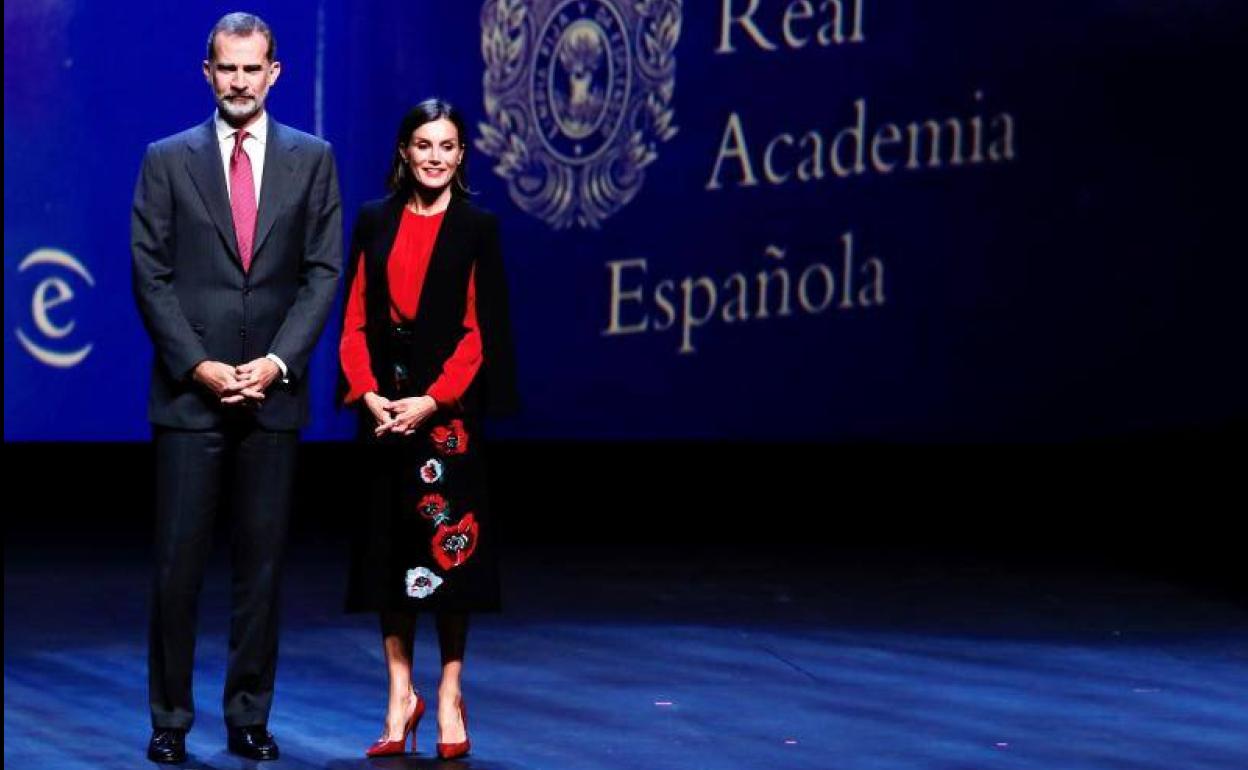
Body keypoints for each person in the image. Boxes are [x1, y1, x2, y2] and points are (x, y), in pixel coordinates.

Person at [131, 12, 342, 764]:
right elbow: (149, 274)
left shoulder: (313, 159)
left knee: (262, 569)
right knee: (177, 567)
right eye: (228, 68)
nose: (241, 81)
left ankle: (248, 716)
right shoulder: (167, 159)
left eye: (254, 68)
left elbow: (323, 273)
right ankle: (170, 719)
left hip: (273, 396)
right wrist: (199, 364)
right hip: (192, 399)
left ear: (274, 72)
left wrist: (279, 362)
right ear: (208, 72)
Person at [338, 98, 517, 760]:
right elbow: (354, 317)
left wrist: (434, 400)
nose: (435, 156)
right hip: (385, 411)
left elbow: (481, 331)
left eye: (447, 145)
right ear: (404, 153)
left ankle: (447, 694)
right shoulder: (374, 220)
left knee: (448, 558)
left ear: (461, 155)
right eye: (423, 144)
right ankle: (398, 696)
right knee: (389, 556)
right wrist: (369, 393)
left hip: (447, 421)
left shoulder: (477, 227)